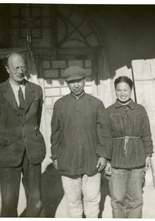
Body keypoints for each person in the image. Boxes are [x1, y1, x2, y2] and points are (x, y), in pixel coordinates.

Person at [0, 52, 46, 217]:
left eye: (22, 67)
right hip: (8, 152)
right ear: (7, 69)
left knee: (36, 201)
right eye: (15, 68)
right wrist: (4, 140)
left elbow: (36, 119)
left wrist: (29, 136)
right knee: (9, 202)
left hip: (32, 151)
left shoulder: (36, 90)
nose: (20, 71)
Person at [50, 66, 111, 218]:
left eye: (79, 81)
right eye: (71, 82)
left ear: (84, 81)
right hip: (68, 159)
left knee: (92, 199)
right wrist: (55, 156)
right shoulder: (60, 105)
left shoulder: (96, 104)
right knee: (73, 200)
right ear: (67, 83)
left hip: (92, 160)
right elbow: (55, 133)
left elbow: (104, 132)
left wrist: (103, 155)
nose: (76, 85)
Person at [104, 76, 153, 218]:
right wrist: (107, 160)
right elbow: (105, 138)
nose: (122, 93)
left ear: (131, 90)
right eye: (119, 90)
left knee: (136, 200)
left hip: (137, 159)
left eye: (125, 89)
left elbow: (146, 134)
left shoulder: (140, 110)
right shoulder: (109, 112)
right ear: (115, 91)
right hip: (116, 161)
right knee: (117, 199)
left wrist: (148, 155)